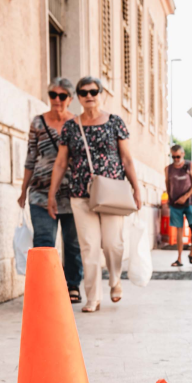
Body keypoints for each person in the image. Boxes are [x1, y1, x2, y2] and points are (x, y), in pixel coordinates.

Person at [49, 76, 142, 313]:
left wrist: (137, 189)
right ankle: (93, 297)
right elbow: (61, 163)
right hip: (81, 193)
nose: (89, 96)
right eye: (83, 92)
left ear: (101, 94)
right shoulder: (71, 127)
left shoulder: (115, 122)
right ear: (78, 97)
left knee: (112, 244)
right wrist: (51, 194)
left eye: (93, 91)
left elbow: (126, 159)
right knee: (88, 247)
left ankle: (115, 280)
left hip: (112, 193)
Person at [17, 77, 83, 303]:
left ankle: (72, 285)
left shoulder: (77, 123)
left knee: (72, 243)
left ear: (70, 99)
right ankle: (45, 289)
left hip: (71, 193)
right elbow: (31, 158)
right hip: (40, 192)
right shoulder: (38, 123)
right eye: (53, 95)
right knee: (44, 241)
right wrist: (23, 190)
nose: (57, 100)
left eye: (62, 96)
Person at [165, 144, 192, 266]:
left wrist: (185, 197)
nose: (176, 159)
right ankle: (179, 258)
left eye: (178, 156)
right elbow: (167, 184)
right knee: (179, 231)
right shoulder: (168, 169)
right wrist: (169, 198)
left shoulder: (189, 165)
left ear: (183, 154)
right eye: (173, 157)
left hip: (189, 203)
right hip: (175, 204)